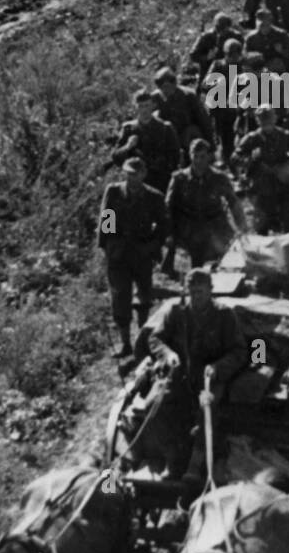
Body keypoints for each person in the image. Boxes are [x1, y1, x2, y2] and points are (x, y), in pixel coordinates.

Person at [140, 267, 250, 485]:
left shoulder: (224, 316)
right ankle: (173, 458)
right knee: (152, 405)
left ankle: (195, 465)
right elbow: (155, 339)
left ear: (211, 290)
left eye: (201, 291)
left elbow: (240, 351)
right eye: (192, 292)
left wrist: (218, 367)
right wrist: (168, 354)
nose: (196, 297)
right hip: (179, 376)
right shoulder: (176, 312)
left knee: (206, 408)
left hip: (210, 380)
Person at [97, 156, 168, 358]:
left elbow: (163, 227)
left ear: (143, 174)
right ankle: (126, 343)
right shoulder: (114, 192)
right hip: (118, 253)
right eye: (128, 174)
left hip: (141, 252)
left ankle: (143, 340)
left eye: (135, 174)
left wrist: (153, 246)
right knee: (120, 297)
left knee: (144, 297)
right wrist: (107, 247)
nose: (131, 178)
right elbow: (106, 219)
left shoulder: (154, 197)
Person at [165, 138, 246, 272]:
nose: (198, 160)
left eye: (202, 156)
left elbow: (233, 203)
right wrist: (169, 232)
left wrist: (242, 228)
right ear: (189, 155)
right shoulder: (179, 178)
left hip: (215, 224)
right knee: (194, 266)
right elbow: (168, 206)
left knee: (227, 260)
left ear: (209, 156)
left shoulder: (219, 178)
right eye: (194, 156)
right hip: (189, 226)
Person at [233, 104, 289, 234]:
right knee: (261, 226)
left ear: (275, 119)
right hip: (261, 187)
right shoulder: (251, 139)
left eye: (269, 120)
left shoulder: (286, 136)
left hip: (284, 184)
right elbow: (235, 158)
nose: (267, 124)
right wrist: (251, 159)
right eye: (263, 120)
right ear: (258, 121)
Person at [111, 89, 182, 196]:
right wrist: (127, 147)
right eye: (140, 106)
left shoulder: (165, 128)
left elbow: (176, 156)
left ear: (153, 105)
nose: (144, 110)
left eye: (147, 105)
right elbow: (116, 157)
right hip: (136, 183)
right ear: (136, 107)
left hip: (161, 181)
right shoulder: (128, 129)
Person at [151, 67, 214, 151]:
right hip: (168, 136)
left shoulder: (188, 95)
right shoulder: (154, 98)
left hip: (187, 135)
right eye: (161, 88)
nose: (164, 90)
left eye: (167, 87)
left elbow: (203, 120)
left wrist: (211, 145)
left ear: (174, 84)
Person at [189, 12, 243, 81]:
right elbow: (193, 55)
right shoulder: (206, 37)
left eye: (224, 28)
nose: (222, 31)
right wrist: (207, 57)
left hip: (231, 70)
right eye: (219, 28)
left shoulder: (236, 36)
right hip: (209, 71)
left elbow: (243, 53)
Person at [245, 6, 289, 70]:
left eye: (265, 24)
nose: (263, 27)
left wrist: (282, 51)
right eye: (260, 25)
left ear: (270, 22)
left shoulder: (281, 34)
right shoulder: (251, 38)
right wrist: (254, 56)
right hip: (261, 71)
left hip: (284, 71)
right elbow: (245, 56)